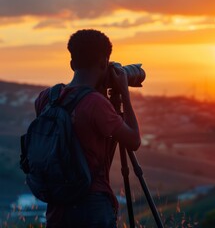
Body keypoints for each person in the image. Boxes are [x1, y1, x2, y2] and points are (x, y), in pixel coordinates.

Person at [34, 29, 141, 228]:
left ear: (72, 64)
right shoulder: (96, 105)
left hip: (57, 206)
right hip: (91, 206)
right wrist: (124, 93)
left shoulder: (46, 98)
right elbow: (134, 141)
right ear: (104, 63)